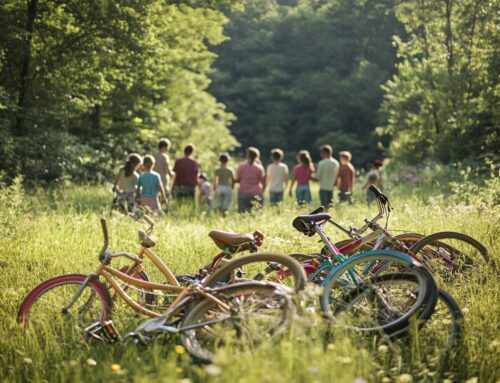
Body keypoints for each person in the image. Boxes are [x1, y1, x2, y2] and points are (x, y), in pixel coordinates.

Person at [235, 147, 265, 213]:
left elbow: (238, 179)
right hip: (256, 192)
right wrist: (262, 192)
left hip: (243, 192)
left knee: (242, 213)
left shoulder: (241, 166)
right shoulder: (259, 167)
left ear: (247, 155)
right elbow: (262, 181)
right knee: (256, 212)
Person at [213, 152, 234, 216]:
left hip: (219, 187)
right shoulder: (230, 170)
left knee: (219, 203)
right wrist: (232, 187)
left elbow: (215, 180)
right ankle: (224, 216)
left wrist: (215, 188)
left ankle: (219, 215)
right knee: (226, 205)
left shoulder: (217, 170)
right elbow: (232, 180)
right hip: (227, 187)